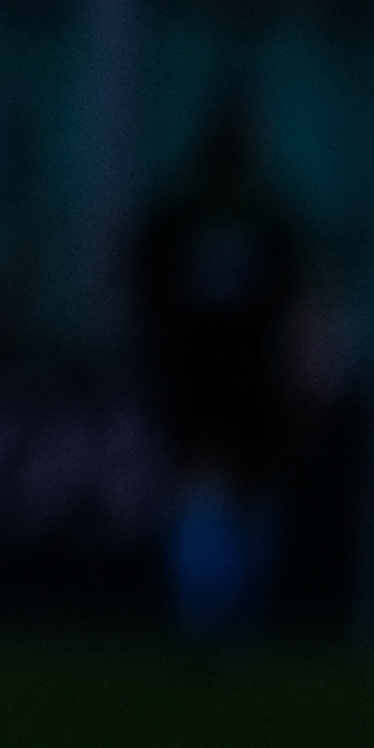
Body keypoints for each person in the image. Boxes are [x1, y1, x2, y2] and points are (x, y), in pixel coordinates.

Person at [132, 103, 309, 645]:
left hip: (194, 372)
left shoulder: (177, 213)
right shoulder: (267, 215)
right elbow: (294, 300)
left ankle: (201, 614)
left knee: (199, 485)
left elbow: (144, 291)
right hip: (251, 372)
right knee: (249, 492)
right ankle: (236, 617)